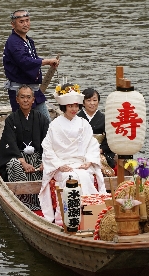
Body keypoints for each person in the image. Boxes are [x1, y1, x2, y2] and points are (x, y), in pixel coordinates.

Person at [39, 83, 107, 225]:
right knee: (70, 177)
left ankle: (91, 216)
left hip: (80, 163)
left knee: (84, 175)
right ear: (64, 107)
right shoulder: (55, 124)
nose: (74, 109)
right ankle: (65, 218)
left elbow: (92, 144)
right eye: (70, 106)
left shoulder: (83, 123)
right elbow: (48, 148)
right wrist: (59, 165)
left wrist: (89, 160)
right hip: (61, 165)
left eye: (76, 106)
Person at [0, 85, 50, 211]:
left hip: (38, 157)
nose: (25, 100)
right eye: (22, 97)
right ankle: (24, 202)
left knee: (49, 166)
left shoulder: (41, 118)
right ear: (17, 100)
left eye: (28, 97)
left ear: (33, 100)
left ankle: (41, 202)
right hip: (18, 157)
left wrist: (45, 161)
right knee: (13, 164)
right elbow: (9, 143)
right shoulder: (11, 120)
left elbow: (48, 142)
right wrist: (23, 162)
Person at [2, 9, 60, 122]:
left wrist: (46, 61)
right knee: (24, 125)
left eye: (27, 20)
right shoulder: (13, 42)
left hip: (34, 91)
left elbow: (32, 60)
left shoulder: (28, 40)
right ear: (13, 24)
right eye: (21, 21)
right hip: (21, 93)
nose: (25, 24)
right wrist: (47, 61)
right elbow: (24, 61)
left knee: (46, 123)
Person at [78, 88, 116, 177]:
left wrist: (101, 149)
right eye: (88, 100)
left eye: (95, 100)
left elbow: (110, 138)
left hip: (100, 151)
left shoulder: (105, 119)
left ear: (98, 101)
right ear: (83, 103)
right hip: (81, 152)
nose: (92, 103)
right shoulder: (77, 118)